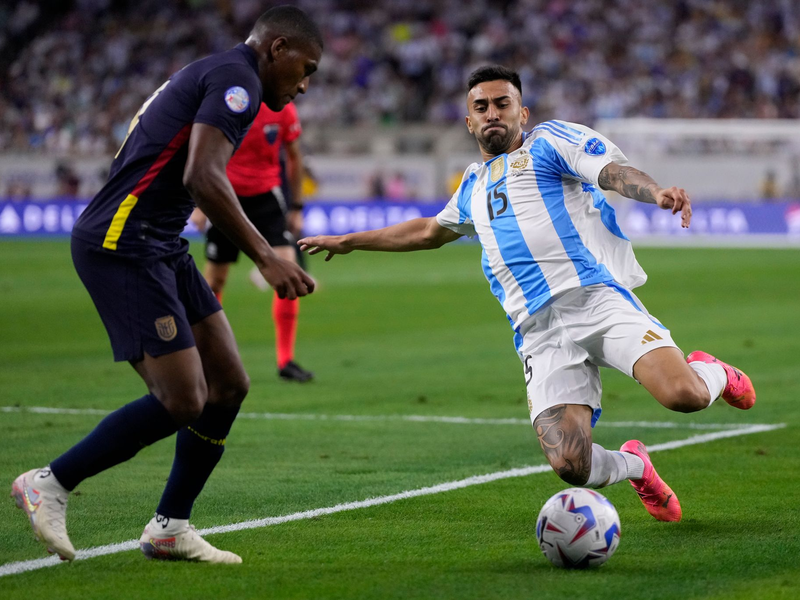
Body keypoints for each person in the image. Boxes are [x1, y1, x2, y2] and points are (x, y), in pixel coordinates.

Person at [299, 65, 756, 523]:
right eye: (481, 107)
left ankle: (713, 372)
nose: (492, 113)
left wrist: (654, 192)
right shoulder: (472, 186)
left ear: (523, 112)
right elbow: (427, 231)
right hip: (538, 331)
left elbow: (611, 172)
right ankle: (637, 466)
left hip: (594, 300)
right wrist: (350, 241)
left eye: (503, 104)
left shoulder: (549, 143)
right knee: (571, 464)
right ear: (469, 121)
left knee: (684, 395)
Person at [11, 6, 322, 564]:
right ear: (278, 48)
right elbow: (202, 175)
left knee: (228, 384)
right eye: (306, 69)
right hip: (123, 241)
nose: (304, 85)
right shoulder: (238, 83)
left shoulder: (223, 72)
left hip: (158, 241)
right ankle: (50, 483)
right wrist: (266, 257)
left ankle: (170, 526)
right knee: (183, 399)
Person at [192, 100, 313, 383]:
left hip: (267, 198)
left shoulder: (284, 108)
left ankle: (286, 360)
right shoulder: (233, 101)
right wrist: (199, 203)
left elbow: (295, 157)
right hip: (225, 197)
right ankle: (205, 357)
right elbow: (203, 149)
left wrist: (297, 206)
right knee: (214, 282)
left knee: (287, 275)